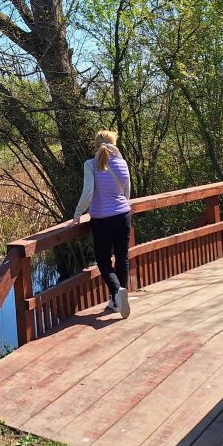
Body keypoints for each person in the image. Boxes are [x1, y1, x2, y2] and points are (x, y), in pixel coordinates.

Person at [72, 130, 132, 317]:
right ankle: (118, 299)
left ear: (96, 144)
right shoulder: (122, 163)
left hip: (102, 220)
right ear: (115, 143)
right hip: (123, 215)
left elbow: (88, 192)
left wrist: (77, 213)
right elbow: (126, 192)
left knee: (103, 260)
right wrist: (121, 206)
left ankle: (116, 291)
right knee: (122, 258)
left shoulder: (90, 164)